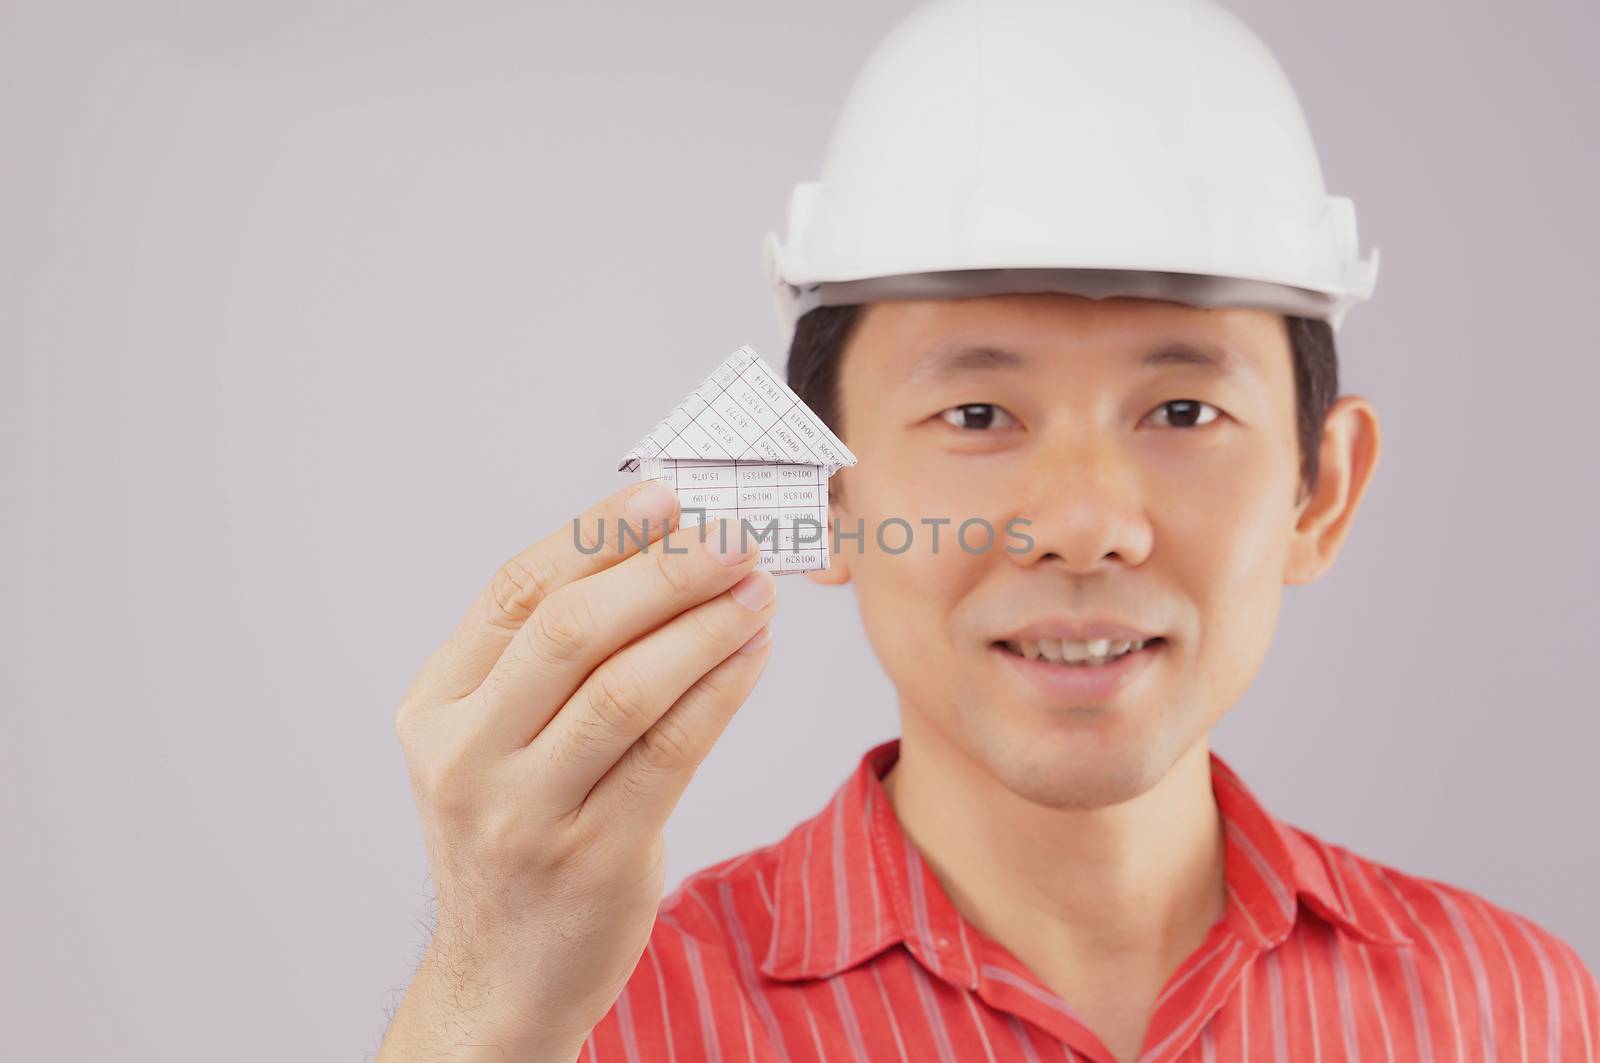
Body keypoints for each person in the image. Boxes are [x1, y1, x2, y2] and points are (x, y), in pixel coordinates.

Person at [377, 2, 1600, 1061]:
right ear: (823, 491)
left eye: (1182, 408)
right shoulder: (598, 1030)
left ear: (1319, 491)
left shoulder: (1517, 1009)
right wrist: (483, 1000)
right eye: (975, 411)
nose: (1080, 525)